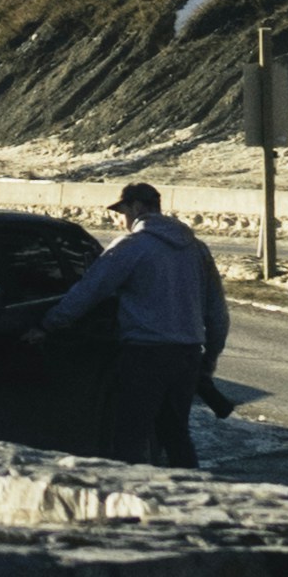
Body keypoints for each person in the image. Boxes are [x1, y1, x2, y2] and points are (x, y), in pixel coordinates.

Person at [60, 171, 231, 458]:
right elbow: (216, 310)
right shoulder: (197, 248)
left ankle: (128, 496)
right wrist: (210, 355)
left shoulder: (131, 247)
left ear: (137, 208)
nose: (120, 220)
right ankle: (187, 496)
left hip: (144, 356)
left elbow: (89, 290)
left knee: (129, 436)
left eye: (122, 212)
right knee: (176, 437)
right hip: (187, 355)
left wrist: (51, 322)